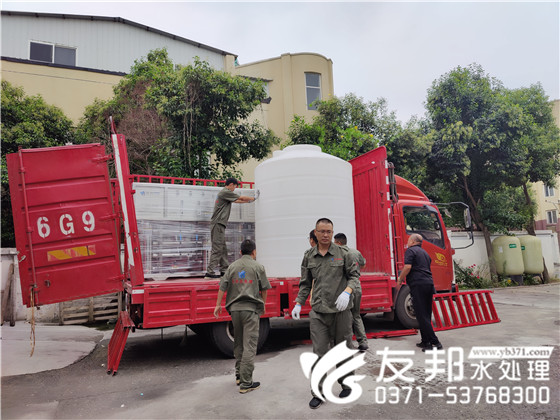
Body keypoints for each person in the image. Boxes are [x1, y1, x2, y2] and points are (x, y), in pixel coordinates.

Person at [291, 218, 361, 409]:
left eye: (329, 232)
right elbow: (305, 283)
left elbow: (354, 277)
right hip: (319, 313)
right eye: (322, 231)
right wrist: (298, 303)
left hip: (341, 311)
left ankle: (346, 383)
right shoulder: (309, 256)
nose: (325, 235)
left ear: (332, 232)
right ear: (315, 232)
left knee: (343, 349)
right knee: (319, 353)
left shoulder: (343, 253)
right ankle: (318, 392)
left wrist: (347, 292)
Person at [213, 239, 271, 393]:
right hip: (250, 311)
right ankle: (246, 383)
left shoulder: (232, 267)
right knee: (249, 346)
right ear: (254, 252)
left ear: (240, 252)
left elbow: (222, 287)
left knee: (238, 343)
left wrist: (218, 305)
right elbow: (264, 289)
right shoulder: (258, 267)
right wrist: (263, 304)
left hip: (235, 311)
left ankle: (239, 375)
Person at [397, 233, 443, 351]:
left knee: (421, 315)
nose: (407, 242)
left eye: (409, 240)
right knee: (426, 314)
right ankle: (425, 341)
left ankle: (435, 342)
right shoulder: (425, 253)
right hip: (429, 284)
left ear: (413, 242)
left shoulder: (410, 251)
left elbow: (407, 267)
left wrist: (400, 279)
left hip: (418, 285)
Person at [206, 178, 256, 278]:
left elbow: (237, 200)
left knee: (223, 248)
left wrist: (248, 202)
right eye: (235, 187)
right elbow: (241, 197)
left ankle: (224, 270)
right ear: (231, 184)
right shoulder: (225, 192)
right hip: (218, 223)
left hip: (220, 224)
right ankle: (209, 272)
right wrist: (253, 198)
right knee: (217, 248)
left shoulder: (226, 194)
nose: (234, 189)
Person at [333, 233, 368, 352]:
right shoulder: (355, 252)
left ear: (338, 242)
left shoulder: (337, 254)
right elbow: (363, 264)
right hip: (356, 287)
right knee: (356, 315)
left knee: (345, 316)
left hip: (345, 289)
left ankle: (346, 344)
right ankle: (363, 342)